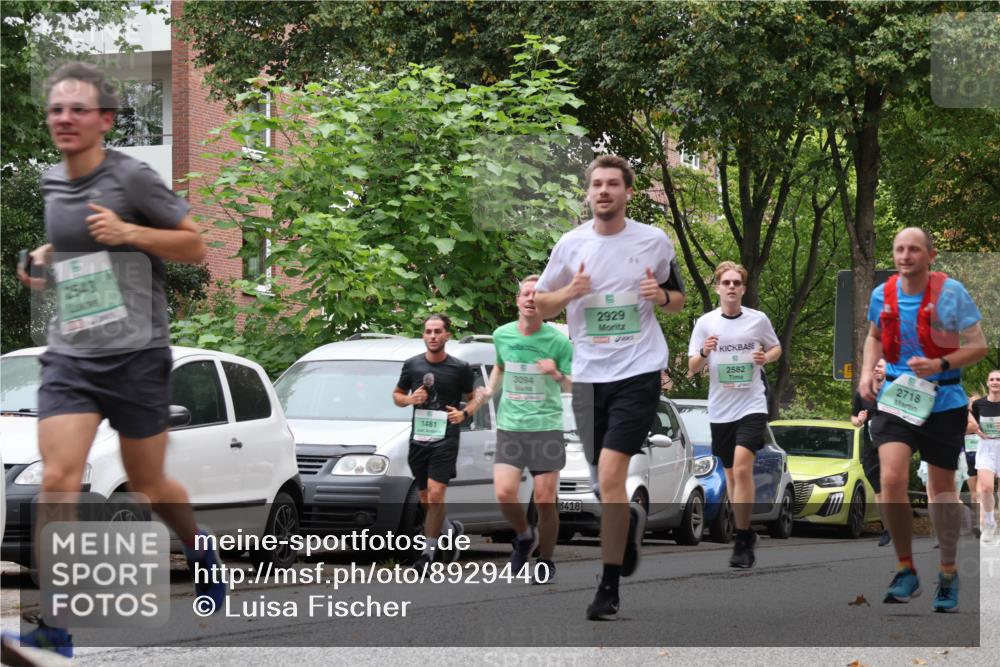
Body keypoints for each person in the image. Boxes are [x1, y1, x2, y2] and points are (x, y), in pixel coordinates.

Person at [3, 62, 212, 661]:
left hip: (137, 352)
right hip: (72, 353)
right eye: (55, 110)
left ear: (105, 120)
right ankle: (55, 626)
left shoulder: (133, 179)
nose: (63, 119)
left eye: (77, 109)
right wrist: (41, 262)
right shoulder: (50, 181)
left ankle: (198, 547)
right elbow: (69, 249)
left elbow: (197, 245)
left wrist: (129, 233)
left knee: (147, 480)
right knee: (60, 479)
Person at [534, 154, 685, 620]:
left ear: (627, 192)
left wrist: (658, 296)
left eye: (613, 184)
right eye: (596, 184)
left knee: (613, 474)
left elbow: (677, 300)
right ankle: (631, 521)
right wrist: (568, 294)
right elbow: (539, 306)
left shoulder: (653, 242)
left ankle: (608, 585)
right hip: (589, 376)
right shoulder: (570, 244)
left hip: (638, 373)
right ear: (589, 192)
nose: (603, 191)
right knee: (604, 484)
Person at [859, 227, 987, 613]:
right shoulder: (883, 294)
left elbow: (978, 346)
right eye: (899, 249)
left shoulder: (952, 294)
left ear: (930, 255)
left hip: (944, 399)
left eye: (914, 249)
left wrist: (940, 363)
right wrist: (866, 372)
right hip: (898, 396)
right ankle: (905, 568)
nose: (905, 255)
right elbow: (874, 336)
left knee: (942, 489)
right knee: (892, 477)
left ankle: (947, 571)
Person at [688, 261, 781, 568]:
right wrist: (704, 351)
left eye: (736, 283)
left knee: (742, 470)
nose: (731, 287)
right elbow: (691, 368)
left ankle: (742, 537)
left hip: (752, 404)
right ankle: (746, 532)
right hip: (720, 409)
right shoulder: (706, 323)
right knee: (730, 476)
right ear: (718, 287)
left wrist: (764, 356)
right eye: (725, 282)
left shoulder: (758, 320)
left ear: (742, 289)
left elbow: (776, 347)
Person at [483, 275, 573, 583]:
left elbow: (577, 384)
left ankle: (546, 559)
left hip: (545, 427)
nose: (531, 298)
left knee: (545, 500)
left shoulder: (559, 342)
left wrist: (557, 374)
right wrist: (489, 390)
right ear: (517, 300)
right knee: (505, 492)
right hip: (511, 426)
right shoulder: (502, 335)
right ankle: (523, 536)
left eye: (537, 294)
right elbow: (500, 365)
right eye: (525, 293)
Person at [393, 313, 488, 566]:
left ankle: (428, 554)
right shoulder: (413, 365)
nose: (432, 336)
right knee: (426, 499)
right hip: (419, 439)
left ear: (447, 335)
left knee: (436, 496)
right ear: (423, 335)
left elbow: (474, 398)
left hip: (445, 439)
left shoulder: (459, 368)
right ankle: (450, 529)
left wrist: (464, 413)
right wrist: (409, 400)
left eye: (437, 332)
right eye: (428, 332)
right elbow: (397, 395)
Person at [851, 358, 891, 546]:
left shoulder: (894, 390)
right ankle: (888, 528)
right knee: (879, 491)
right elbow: (854, 418)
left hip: (892, 445)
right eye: (874, 366)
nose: (877, 369)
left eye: (880, 366)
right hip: (871, 446)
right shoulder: (863, 392)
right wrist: (858, 420)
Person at [971, 370, 1000, 545]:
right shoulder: (978, 404)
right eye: (992, 379)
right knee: (987, 488)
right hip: (986, 447)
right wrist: (975, 429)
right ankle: (989, 522)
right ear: (987, 383)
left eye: (998, 379)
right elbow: (969, 421)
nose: (995, 382)